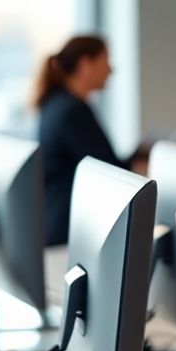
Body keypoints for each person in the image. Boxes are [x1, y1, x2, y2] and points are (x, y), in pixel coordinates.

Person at [36, 35, 136, 246]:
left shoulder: (57, 104)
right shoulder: (72, 112)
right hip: (69, 231)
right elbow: (108, 171)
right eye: (105, 61)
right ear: (86, 65)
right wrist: (138, 165)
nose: (111, 70)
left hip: (58, 222)